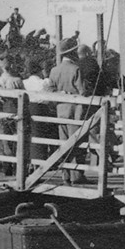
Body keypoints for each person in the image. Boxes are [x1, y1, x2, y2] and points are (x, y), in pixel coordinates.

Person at [48, 38, 89, 185]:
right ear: (72, 53)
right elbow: (83, 91)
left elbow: (50, 90)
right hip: (75, 111)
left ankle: (65, 174)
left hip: (61, 110)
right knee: (77, 143)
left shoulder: (54, 70)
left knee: (64, 143)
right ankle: (76, 175)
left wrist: (62, 93)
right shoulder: (76, 69)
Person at [0, 54, 25, 176]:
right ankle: (18, 166)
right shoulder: (17, 81)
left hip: (3, 113)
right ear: (12, 65)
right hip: (16, 111)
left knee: (5, 140)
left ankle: (7, 167)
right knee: (18, 139)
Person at [22, 57, 57, 163]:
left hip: (28, 109)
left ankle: (33, 162)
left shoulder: (24, 83)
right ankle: (42, 161)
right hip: (41, 109)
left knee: (32, 135)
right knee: (42, 136)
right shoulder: (44, 82)